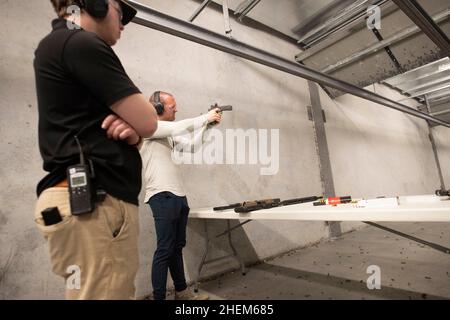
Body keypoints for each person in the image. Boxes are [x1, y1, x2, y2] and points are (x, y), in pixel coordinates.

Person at [33, 0, 158, 299]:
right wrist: (138, 126)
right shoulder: (79, 42)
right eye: (119, 10)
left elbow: (136, 128)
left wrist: (133, 135)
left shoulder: (63, 45)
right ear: (96, 3)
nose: (123, 22)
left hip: (86, 202)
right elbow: (149, 120)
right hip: (93, 204)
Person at [139, 91, 222, 300]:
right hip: (161, 195)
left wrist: (207, 127)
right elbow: (179, 126)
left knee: (176, 247)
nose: (176, 109)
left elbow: (192, 147)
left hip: (177, 195)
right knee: (165, 249)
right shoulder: (149, 128)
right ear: (157, 108)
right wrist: (206, 116)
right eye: (171, 106)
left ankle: (181, 292)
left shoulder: (167, 135)